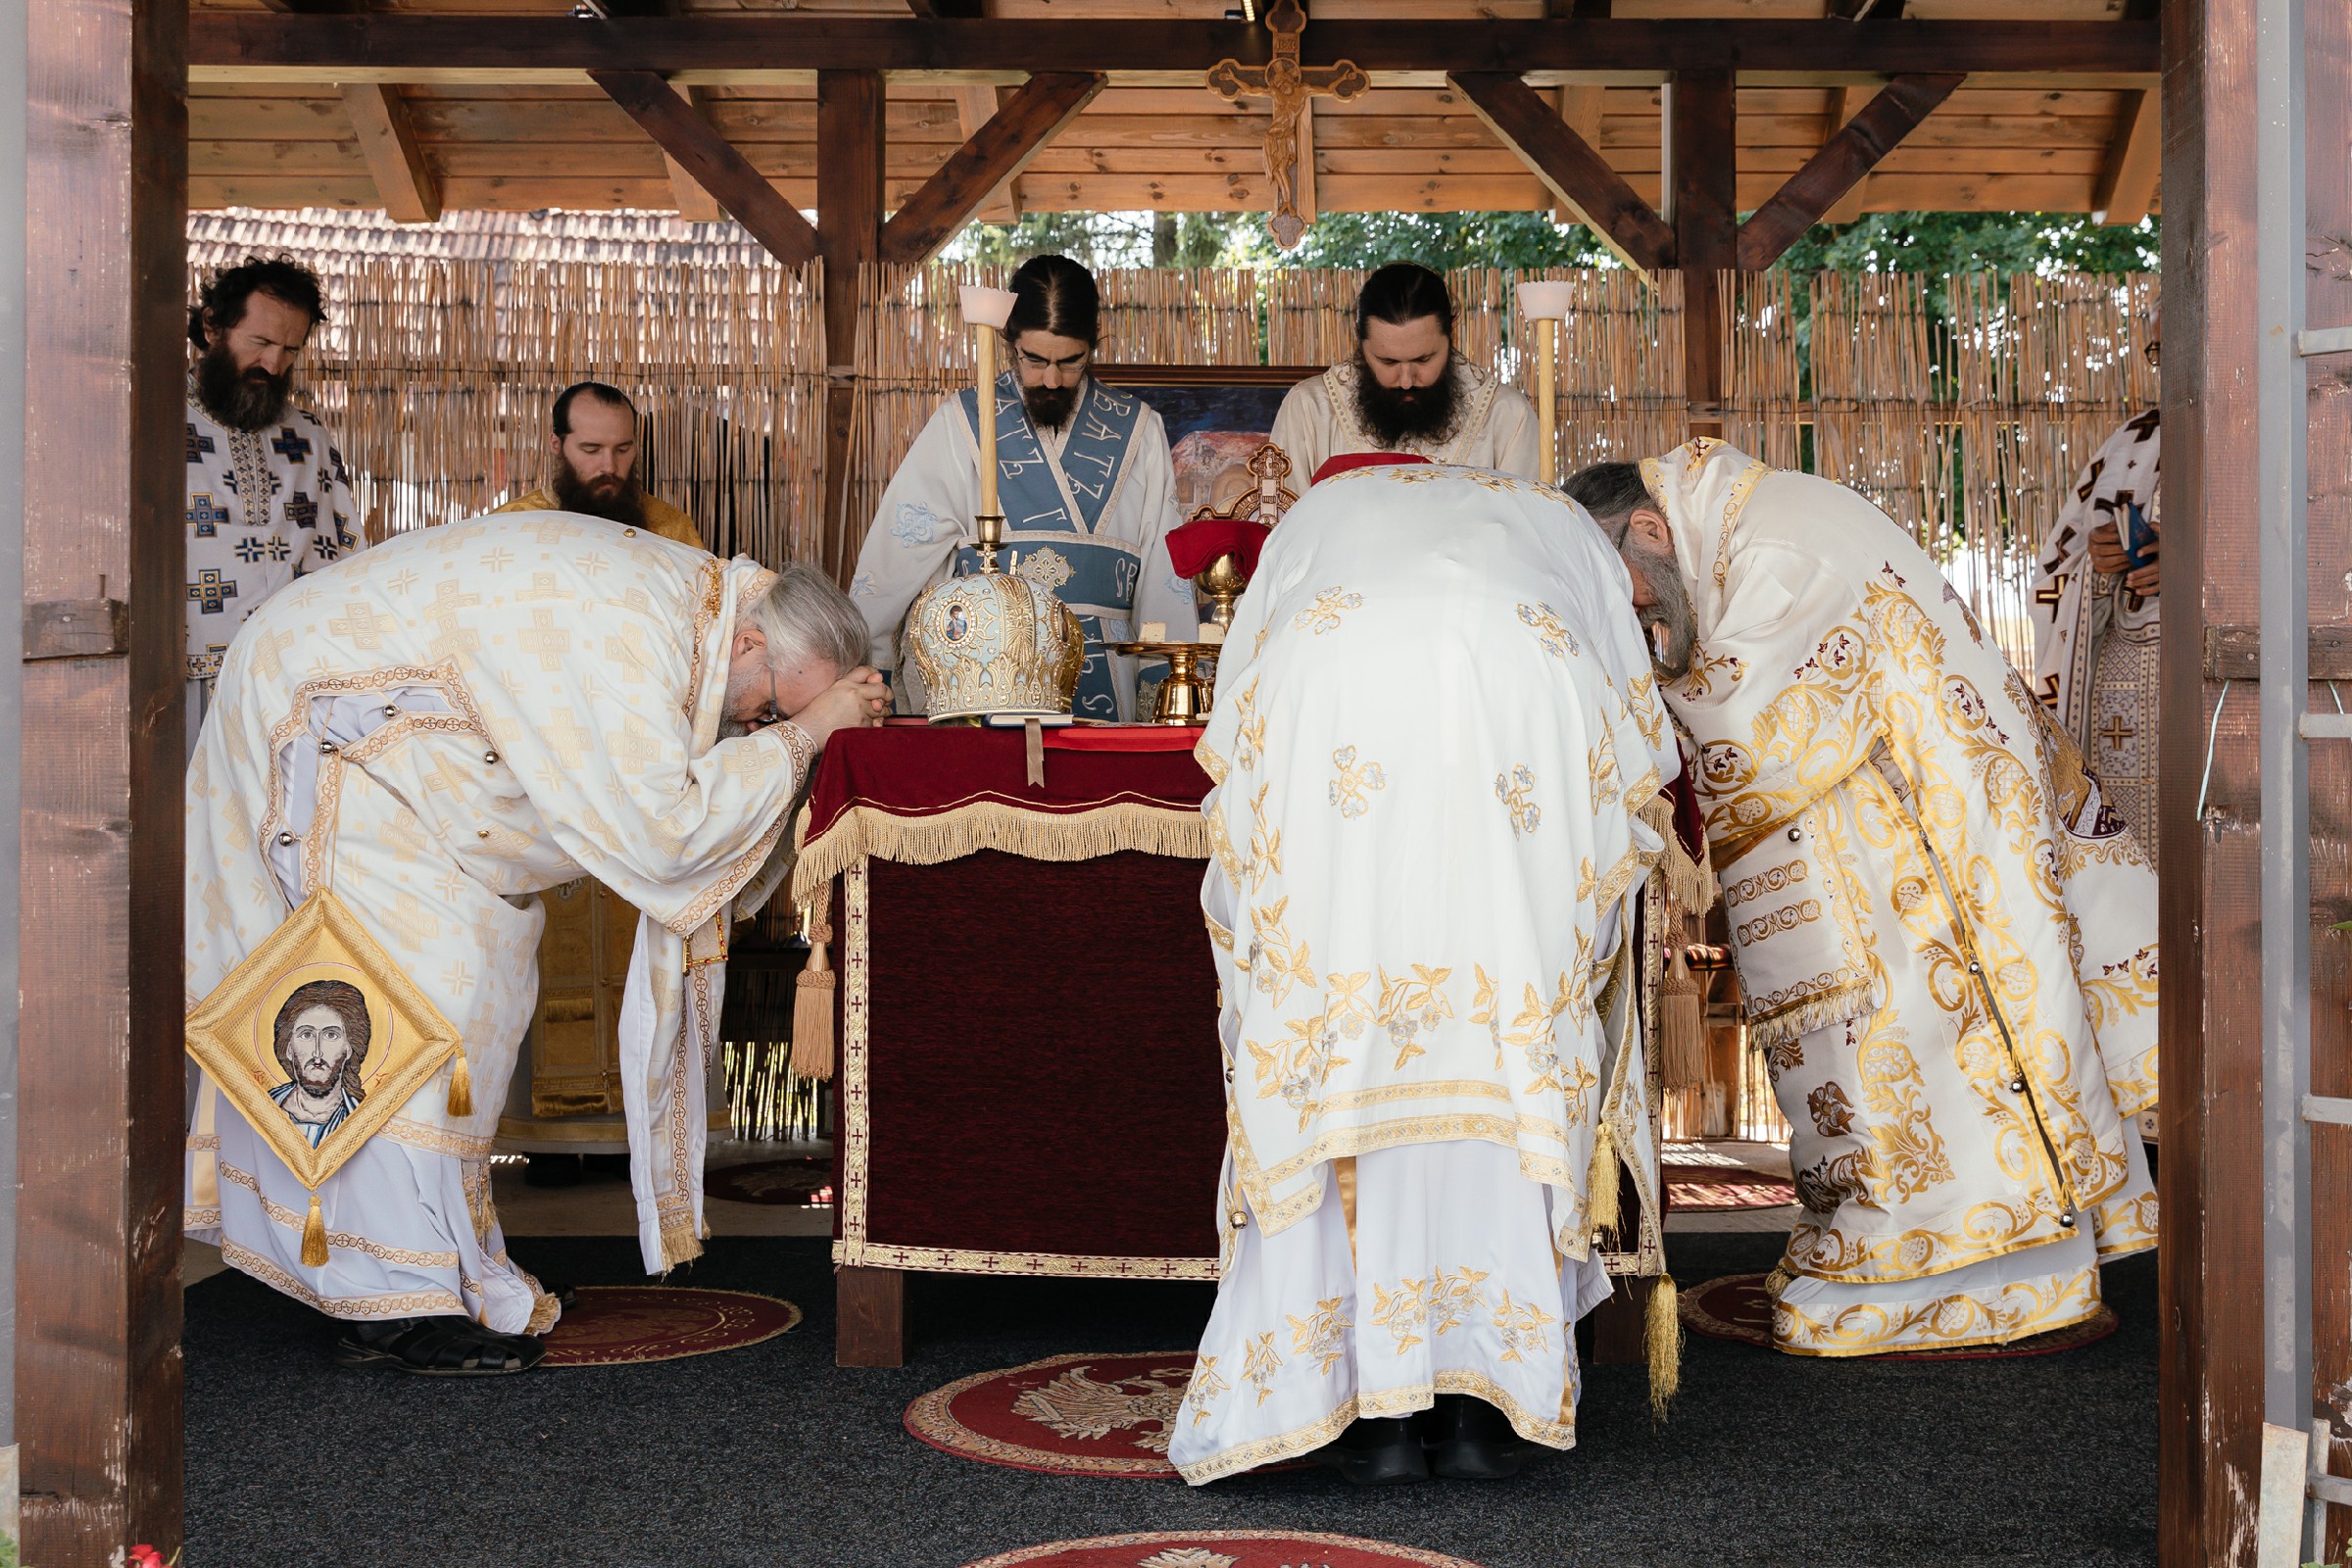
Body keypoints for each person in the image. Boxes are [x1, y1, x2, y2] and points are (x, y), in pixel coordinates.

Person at [184, 516, 887, 1375]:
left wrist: (806, 720)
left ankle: (448, 1266)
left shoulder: (696, 612)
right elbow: (668, 835)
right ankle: (390, 1299)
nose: (756, 725)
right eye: (770, 707)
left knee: (478, 993)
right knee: (423, 999)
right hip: (321, 736)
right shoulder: (634, 632)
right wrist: (809, 734)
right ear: (749, 642)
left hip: (398, 748)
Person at [1566, 440, 2160, 1357]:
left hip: (1920, 855)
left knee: (1925, 1052)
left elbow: (1754, 728)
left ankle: (1982, 1275)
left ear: (1649, 527)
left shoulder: (1782, 541)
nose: (1635, 614)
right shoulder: (1729, 533)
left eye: (1628, 592)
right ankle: (1884, 1247)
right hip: (1859, 844)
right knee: (1855, 1063)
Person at [1168, 458, 1679, 1485]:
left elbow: (1236, 755)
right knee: (1512, 1052)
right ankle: (1485, 1412)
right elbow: (1636, 763)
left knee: (1337, 1047)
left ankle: (1375, 1420)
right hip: (1525, 704)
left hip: (1332, 697)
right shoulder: (1556, 532)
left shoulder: (1324, 517)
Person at [847, 254, 1191, 720]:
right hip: (988, 677)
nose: (1052, 379)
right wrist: (871, 665)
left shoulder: (1140, 429)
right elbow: (897, 557)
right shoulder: (962, 423)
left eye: (1071, 361)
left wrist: (1164, 691)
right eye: (1035, 360)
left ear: (1094, 341)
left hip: (1108, 676)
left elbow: (1162, 577)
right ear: (1010, 341)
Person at [183, 256, 366, 756]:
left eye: (290, 349)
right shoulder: (156, 423)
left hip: (291, 683)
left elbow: (346, 557)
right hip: (181, 682)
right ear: (212, 327)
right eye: (260, 342)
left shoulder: (307, 437)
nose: (273, 364)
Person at [2030, 317, 2161, 857]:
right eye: (2157, 349)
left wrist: (2193, 565)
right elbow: (2060, 562)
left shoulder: (2266, 423)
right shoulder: (2133, 440)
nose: (2168, 360)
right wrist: (2102, 562)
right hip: (2125, 690)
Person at [1269, 263, 1542, 484]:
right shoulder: (1309, 408)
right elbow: (1282, 525)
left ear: (1451, 334)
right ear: (1360, 343)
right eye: (1388, 362)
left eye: (1423, 359)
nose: (1407, 381)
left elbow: (1523, 526)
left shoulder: (1506, 414)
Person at [493, 380, 705, 550]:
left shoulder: (674, 531)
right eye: (591, 450)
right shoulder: (509, 526)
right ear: (556, 445)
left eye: (622, 449)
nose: (609, 467)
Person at [268, 981, 372, 1148]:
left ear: (349, 1048)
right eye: (306, 1035)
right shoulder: (263, 1106)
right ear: (288, 1048)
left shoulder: (365, 1118)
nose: (317, 1052)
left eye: (331, 1035)